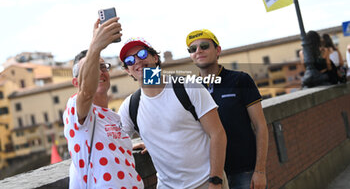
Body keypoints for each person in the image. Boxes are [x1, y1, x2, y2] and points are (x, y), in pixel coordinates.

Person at [118, 37, 228, 189]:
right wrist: (149, 143)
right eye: (129, 60)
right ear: (127, 70)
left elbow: (218, 134)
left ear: (155, 58)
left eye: (142, 54)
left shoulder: (188, 87)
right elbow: (114, 145)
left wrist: (216, 181)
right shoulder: (129, 107)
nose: (137, 61)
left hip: (206, 182)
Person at [63, 17, 144, 188]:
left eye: (102, 67)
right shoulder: (75, 109)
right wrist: (96, 46)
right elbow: (86, 93)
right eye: (90, 69)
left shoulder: (114, 117)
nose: (99, 73)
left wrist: (135, 146)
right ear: (76, 83)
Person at [186, 29, 269, 189]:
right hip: (209, 175)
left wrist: (260, 170)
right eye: (192, 49)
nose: (198, 51)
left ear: (218, 51)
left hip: (244, 171)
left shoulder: (240, 80)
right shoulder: (189, 89)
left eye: (204, 46)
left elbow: (261, 126)